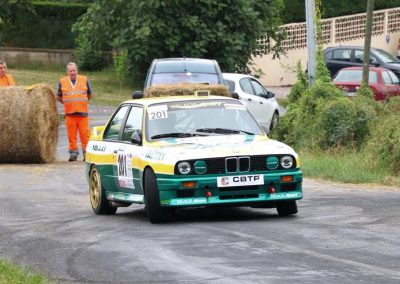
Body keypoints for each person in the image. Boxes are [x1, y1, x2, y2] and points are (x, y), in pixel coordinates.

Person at [57, 62, 92, 162]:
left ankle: (87, 154)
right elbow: (59, 96)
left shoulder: (84, 80)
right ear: (67, 72)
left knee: (85, 135)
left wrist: (81, 102)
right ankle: (73, 154)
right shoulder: (62, 81)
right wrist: (68, 103)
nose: (73, 72)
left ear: (77, 70)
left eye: (74, 70)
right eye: (70, 71)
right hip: (70, 114)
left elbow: (89, 94)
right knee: (71, 136)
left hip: (82, 114)